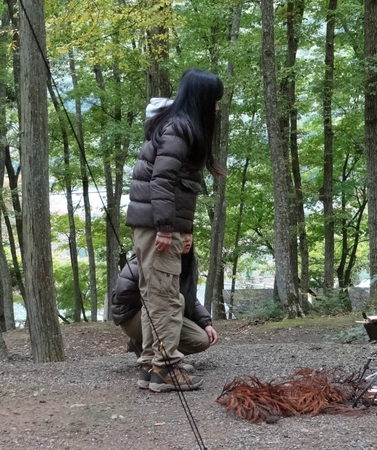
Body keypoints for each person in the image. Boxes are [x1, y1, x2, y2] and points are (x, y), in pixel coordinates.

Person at [125, 68, 224, 392]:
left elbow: (182, 186)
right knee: (167, 298)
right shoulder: (179, 130)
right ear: (201, 99)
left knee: (155, 296)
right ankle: (167, 367)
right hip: (157, 227)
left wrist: (184, 228)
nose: (217, 108)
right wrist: (167, 228)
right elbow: (162, 181)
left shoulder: (176, 127)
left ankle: (150, 365)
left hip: (154, 225)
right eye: (214, 101)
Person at [112, 233, 218, 389]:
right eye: (181, 235)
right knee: (174, 299)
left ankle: (145, 349)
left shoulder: (188, 261)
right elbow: (121, 293)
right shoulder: (149, 257)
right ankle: (161, 365)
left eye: (189, 234)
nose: (187, 239)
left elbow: (190, 297)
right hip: (134, 318)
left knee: (201, 340)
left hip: (161, 315)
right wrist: (155, 300)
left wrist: (205, 322)